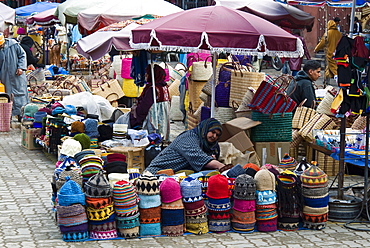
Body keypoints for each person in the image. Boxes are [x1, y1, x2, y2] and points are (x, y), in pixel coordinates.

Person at [145, 118, 226, 174]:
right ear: (205, 129)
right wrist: (221, 166)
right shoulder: (189, 138)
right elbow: (198, 156)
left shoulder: (210, 145)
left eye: (217, 135)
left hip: (177, 174)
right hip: (156, 173)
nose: (214, 136)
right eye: (212, 132)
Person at [129, 64, 171, 140]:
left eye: (147, 74)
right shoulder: (164, 86)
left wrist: (135, 114)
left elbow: (143, 108)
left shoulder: (152, 89)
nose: (145, 75)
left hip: (153, 118)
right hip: (163, 118)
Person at [0, 32, 29, 118]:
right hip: (5, 77)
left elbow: (22, 55)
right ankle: (9, 116)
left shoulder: (13, 44)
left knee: (21, 94)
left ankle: (22, 114)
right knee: (8, 96)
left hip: (17, 75)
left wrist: (21, 67)